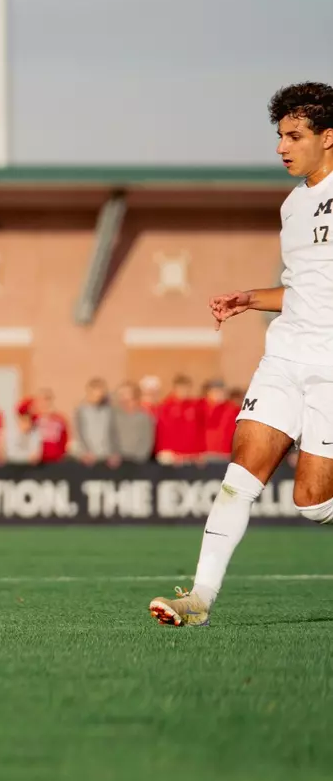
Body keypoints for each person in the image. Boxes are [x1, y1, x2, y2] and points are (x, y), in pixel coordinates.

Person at [151, 83, 333, 626]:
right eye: (279, 135)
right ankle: (199, 598)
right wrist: (254, 298)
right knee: (240, 475)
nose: (282, 146)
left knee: (313, 501)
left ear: (329, 137)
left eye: (295, 135)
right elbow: (307, 285)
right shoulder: (294, 205)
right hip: (285, 354)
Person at [73, 378, 118, 466]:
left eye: (101, 392)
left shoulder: (108, 411)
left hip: (106, 458)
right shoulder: (81, 411)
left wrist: (113, 452)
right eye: (96, 392)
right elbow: (78, 433)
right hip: (88, 459)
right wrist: (84, 452)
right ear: (89, 392)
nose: (99, 395)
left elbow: (113, 433)